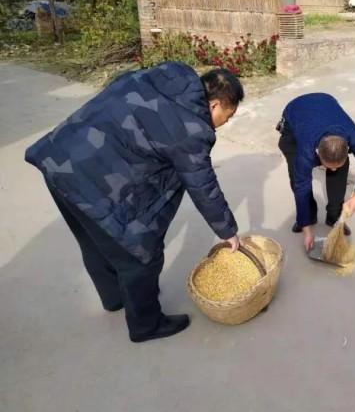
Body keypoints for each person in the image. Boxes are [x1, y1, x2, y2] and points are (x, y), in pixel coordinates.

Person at [25, 63, 243, 343]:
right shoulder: (192, 129)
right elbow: (202, 184)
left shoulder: (158, 77)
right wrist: (228, 230)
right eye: (229, 115)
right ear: (215, 105)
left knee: (94, 243)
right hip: (92, 184)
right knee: (140, 256)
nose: (226, 122)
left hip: (59, 162)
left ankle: (115, 299)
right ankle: (146, 325)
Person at [277, 93, 355, 251]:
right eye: (328, 165)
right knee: (297, 175)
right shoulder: (306, 150)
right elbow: (302, 186)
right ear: (317, 154)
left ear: (347, 148)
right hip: (296, 113)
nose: (333, 169)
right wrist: (306, 229)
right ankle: (309, 216)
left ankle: (334, 216)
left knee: (338, 172)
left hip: (325, 102)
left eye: (338, 164)